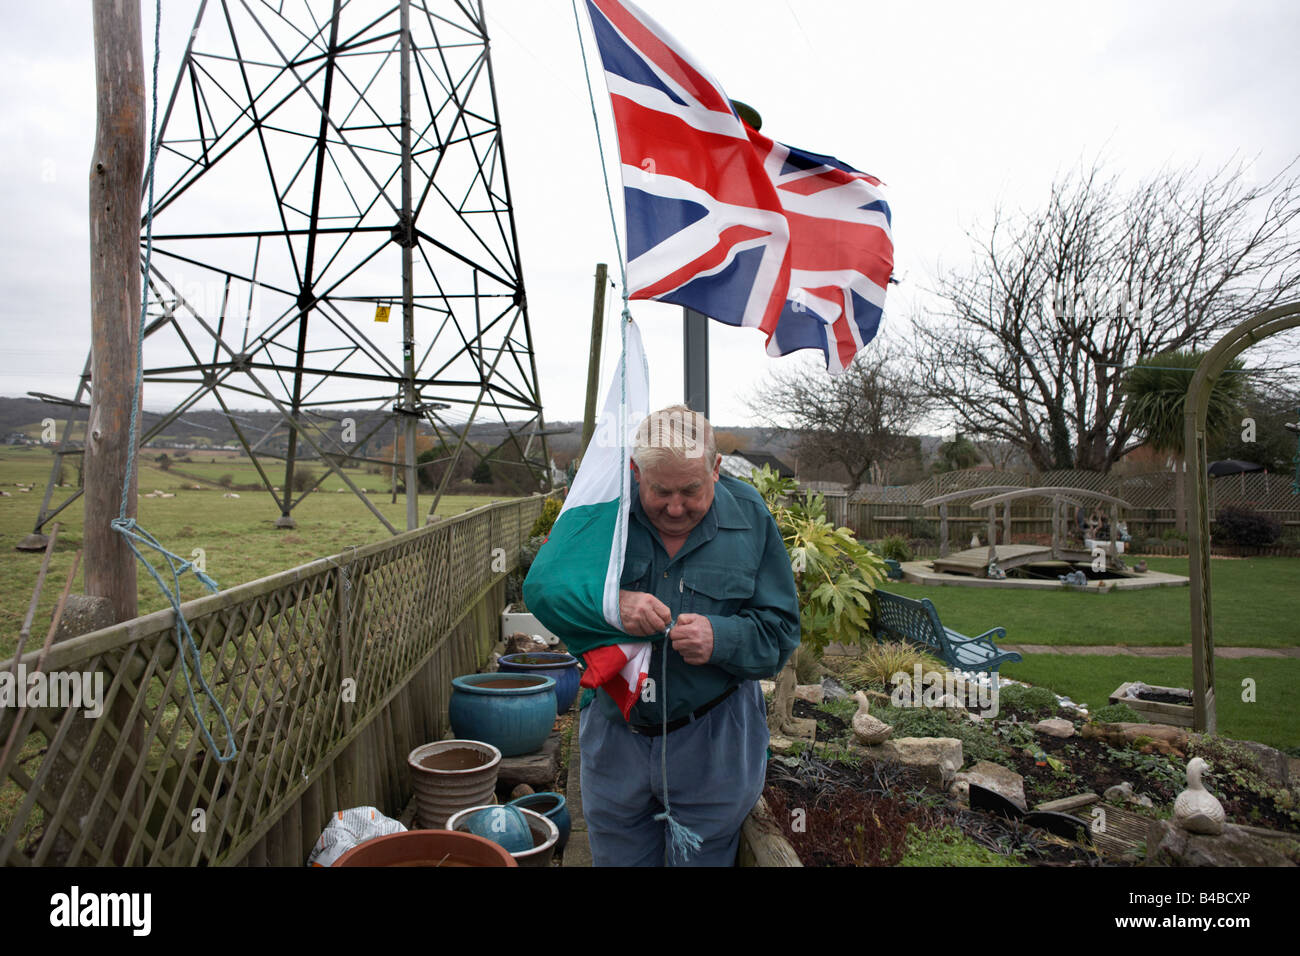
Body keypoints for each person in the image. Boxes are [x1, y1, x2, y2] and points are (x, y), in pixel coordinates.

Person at [577, 404, 801, 866]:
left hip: (712, 743)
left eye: (691, 490)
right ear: (636, 471)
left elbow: (780, 635)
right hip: (615, 737)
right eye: (660, 491)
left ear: (716, 470)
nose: (675, 507)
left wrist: (721, 638)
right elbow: (552, 596)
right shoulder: (603, 512)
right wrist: (611, 606)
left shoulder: (752, 518)